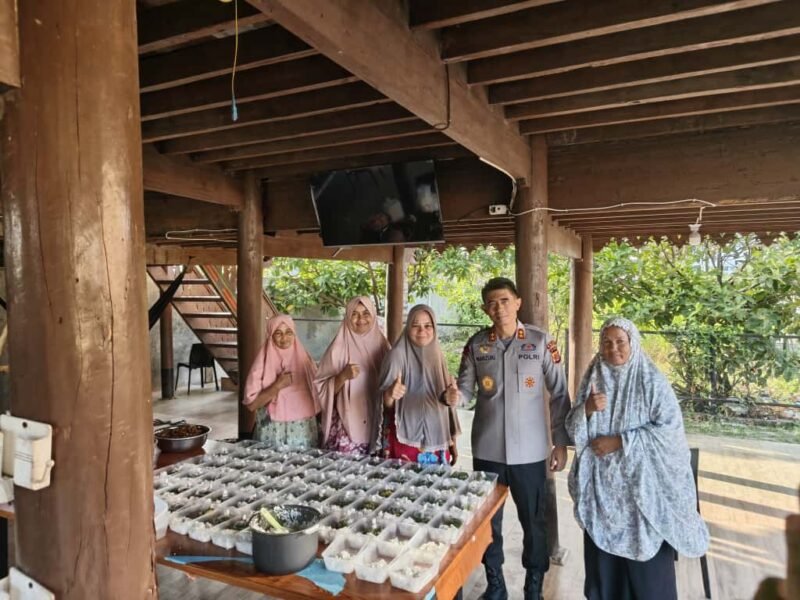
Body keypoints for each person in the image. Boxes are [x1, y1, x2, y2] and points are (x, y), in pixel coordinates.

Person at [566, 317, 709, 600]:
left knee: (648, 583)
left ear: (633, 343)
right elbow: (572, 428)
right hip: (603, 492)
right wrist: (587, 409)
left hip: (643, 494)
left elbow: (669, 432)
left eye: (621, 342)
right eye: (607, 343)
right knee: (605, 576)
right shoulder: (594, 375)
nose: (613, 349)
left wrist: (619, 441)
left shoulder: (650, 380)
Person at [457, 277, 570, 600]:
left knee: (534, 525)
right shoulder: (477, 345)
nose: (499, 308)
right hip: (488, 451)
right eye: (492, 303)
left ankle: (533, 587)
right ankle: (495, 585)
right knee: (487, 525)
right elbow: (465, 391)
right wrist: (453, 396)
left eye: (505, 300)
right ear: (484, 308)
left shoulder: (539, 342)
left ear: (518, 302)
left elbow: (560, 394)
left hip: (531, 453)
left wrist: (560, 442)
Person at [378, 304, 460, 465]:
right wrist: (390, 394)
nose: (422, 331)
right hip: (403, 439)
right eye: (415, 326)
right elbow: (383, 406)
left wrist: (451, 441)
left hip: (435, 440)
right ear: (408, 328)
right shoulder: (397, 355)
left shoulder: (437, 355)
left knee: (434, 488)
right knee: (401, 487)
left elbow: (444, 401)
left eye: (428, 326)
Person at [314, 296, 390, 456]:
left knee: (373, 475)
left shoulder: (383, 347)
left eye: (366, 313)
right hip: (346, 428)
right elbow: (320, 389)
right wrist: (342, 376)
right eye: (354, 313)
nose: (361, 319)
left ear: (373, 316)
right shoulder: (338, 348)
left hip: (377, 425)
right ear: (348, 316)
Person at [242, 314, 320, 449]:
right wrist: (277, 386)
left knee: (302, 467)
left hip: (303, 431)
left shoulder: (305, 362)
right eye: (278, 333)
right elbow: (251, 405)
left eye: (289, 332)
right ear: (270, 335)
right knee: (272, 468)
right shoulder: (262, 363)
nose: (284, 338)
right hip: (272, 432)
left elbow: (319, 396)